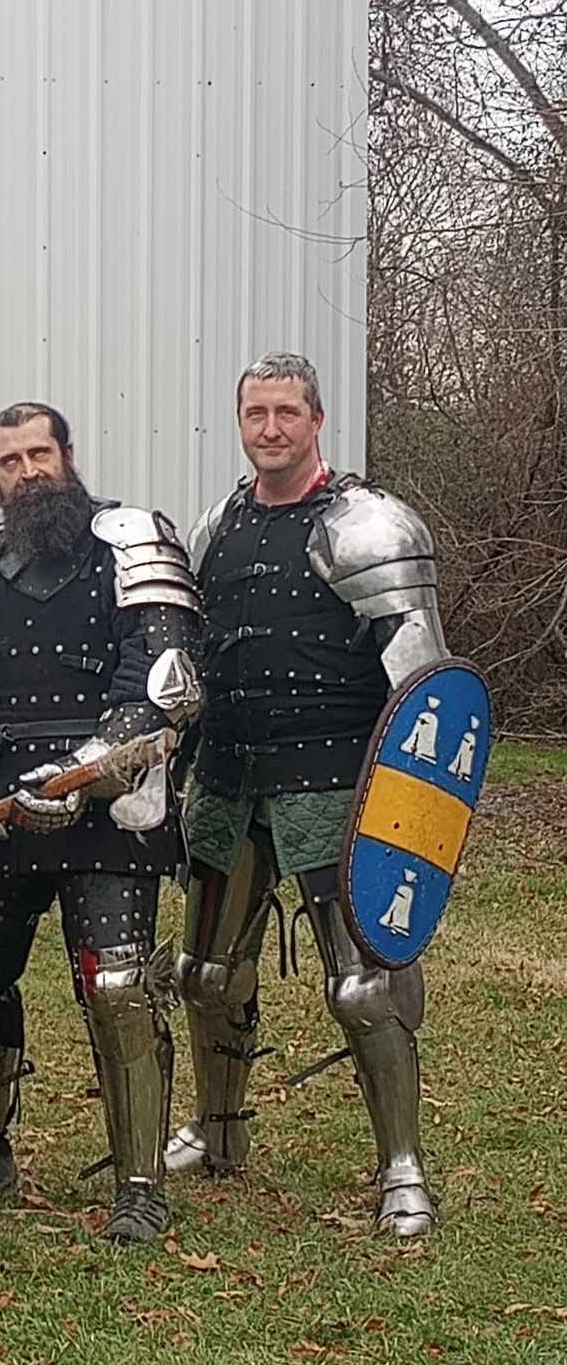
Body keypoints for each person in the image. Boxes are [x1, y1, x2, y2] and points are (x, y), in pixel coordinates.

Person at [166, 352, 449, 1237]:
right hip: (231, 779)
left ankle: (401, 1164)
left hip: (336, 786)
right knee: (205, 973)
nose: (271, 429)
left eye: (288, 412)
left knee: (366, 985)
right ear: (241, 422)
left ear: (317, 420)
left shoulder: (371, 526)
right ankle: (218, 1133)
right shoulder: (216, 527)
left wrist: (407, 811)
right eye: (257, 413)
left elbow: (423, 685)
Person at [0, 402, 202, 1243]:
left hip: (109, 812)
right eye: (11, 461)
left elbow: (168, 684)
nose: (28, 472)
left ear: (69, 456)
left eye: (41, 453)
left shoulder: (133, 543)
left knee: (117, 988)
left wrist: (84, 770)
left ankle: (140, 1182)